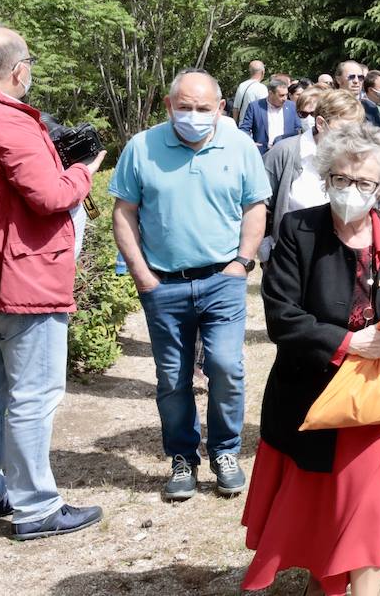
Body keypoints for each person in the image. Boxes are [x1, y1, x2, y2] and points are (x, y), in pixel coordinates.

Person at [243, 124, 380, 596]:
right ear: (325, 176)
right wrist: (346, 343)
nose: (351, 191)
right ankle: (323, 583)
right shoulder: (298, 230)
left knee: (367, 512)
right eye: (341, 179)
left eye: (364, 183)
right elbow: (282, 317)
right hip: (313, 399)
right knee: (323, 508)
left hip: (377, 405)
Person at [109, 69, 270, 500]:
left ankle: (224, 451)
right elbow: (123, 212)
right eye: (185, 107)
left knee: (226, 367)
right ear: (168, 105)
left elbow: (255, 206)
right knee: (172, 377)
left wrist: (241, 262)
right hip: (164, 284)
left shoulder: (238, 146)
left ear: (221, 108)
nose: (193, 116)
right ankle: (182, 457)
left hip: (222, 280)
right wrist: (143, 275)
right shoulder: (142, 147)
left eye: (203, 108)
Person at [0, 25, 106, 540]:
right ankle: (36, 507)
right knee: (34, 394)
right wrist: (85, 170)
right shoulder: (8, 119)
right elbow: (50, 196)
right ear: (17, 69)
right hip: (25, 277)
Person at [262, 89, 380, 262]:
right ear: (320, 123)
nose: (351, 138)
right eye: (344, 130)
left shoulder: (364, 155)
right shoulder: (284, 152)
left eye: (356, 130)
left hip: (347, 254)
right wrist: (267, 251)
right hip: (293, 254)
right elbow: (262, 205)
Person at [240, 77, 301, 155]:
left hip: (287, 153)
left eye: (286, 95)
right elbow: (244, 129)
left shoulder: (292, 106)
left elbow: (297, 129)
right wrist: (250, 143)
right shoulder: (255, 107)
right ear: (270, 93)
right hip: (263, 153)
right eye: (281, 95)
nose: (285, 98)